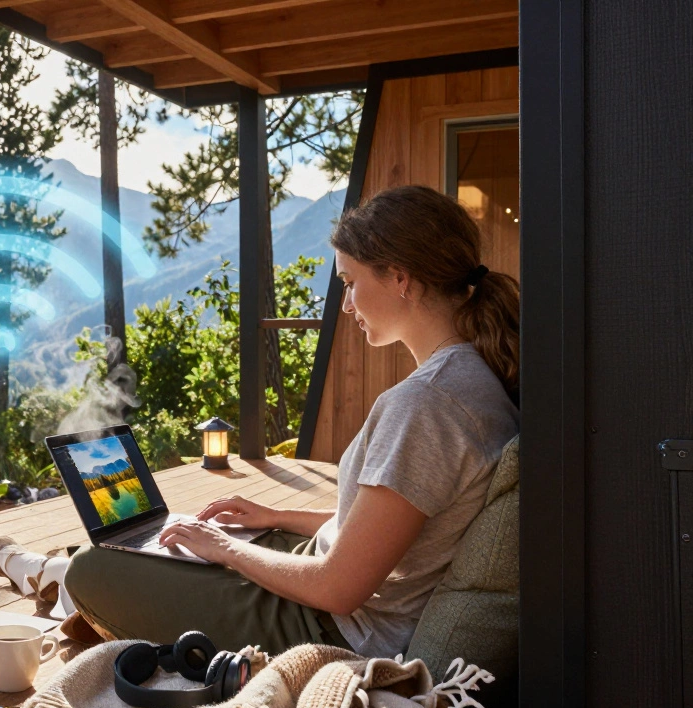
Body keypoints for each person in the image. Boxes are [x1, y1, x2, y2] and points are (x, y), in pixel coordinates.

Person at [60, 185, 520, 659]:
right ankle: (65, 586)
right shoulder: (472, 377)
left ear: (400, 277)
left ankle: (60, 583)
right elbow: (394, 528)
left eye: (350, 282)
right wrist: (274, 517)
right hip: (324, 581)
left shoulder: (426, 405)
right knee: (169, 549)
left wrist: (228, 549)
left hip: (328, 626)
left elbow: (340, 587)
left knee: (91, 569)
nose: (346, 305)